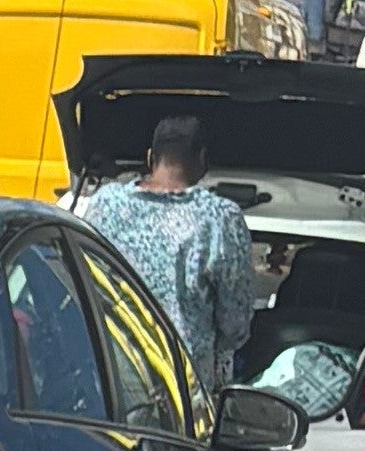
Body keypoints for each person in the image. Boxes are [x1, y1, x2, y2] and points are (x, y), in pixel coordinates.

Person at [70, 108, 250, 412]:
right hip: (180, 398)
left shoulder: (105, 204)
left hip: (105, 381)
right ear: (203, 159)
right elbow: (235, 324)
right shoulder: (219, 219)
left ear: (150, 156)